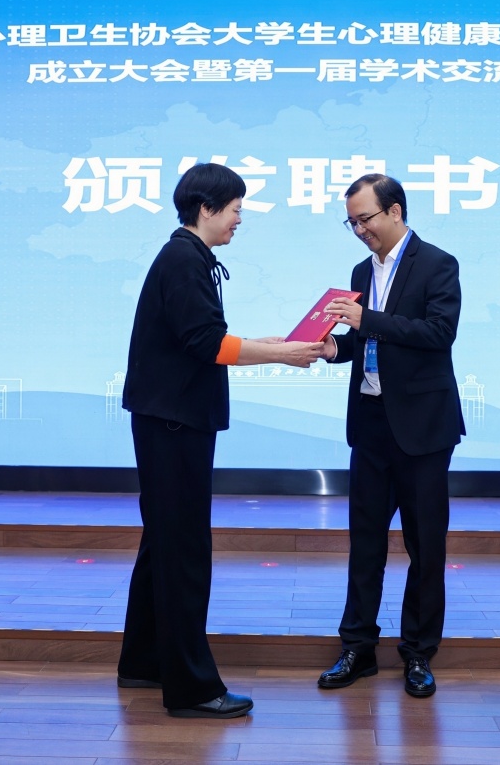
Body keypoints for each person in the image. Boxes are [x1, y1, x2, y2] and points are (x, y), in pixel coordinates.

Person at [119, 162, 323, 718]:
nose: (239, 219)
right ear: (206, 209)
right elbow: (207, 343)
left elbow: (202, 337)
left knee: (164, 544)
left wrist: (267, 345)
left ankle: (143, 662)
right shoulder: (184, 260)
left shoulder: (187, 256)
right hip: (175, 425)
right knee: (183, 550)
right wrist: (280, 354)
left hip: (168, 421)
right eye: (235, 209)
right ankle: (191, 688)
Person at [316, 173, 464, 699]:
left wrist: (368, 320)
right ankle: (357, 647)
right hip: (371, 423)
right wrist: (336, 348)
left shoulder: (438, 264)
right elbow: (365, 340)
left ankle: (418, 652)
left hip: (423, 429)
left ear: (395, 211)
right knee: (365, 543)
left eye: (365, 219)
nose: (359, 231)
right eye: (351, 223)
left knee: (425, 546)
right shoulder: (362, 271)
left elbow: (438, 333)